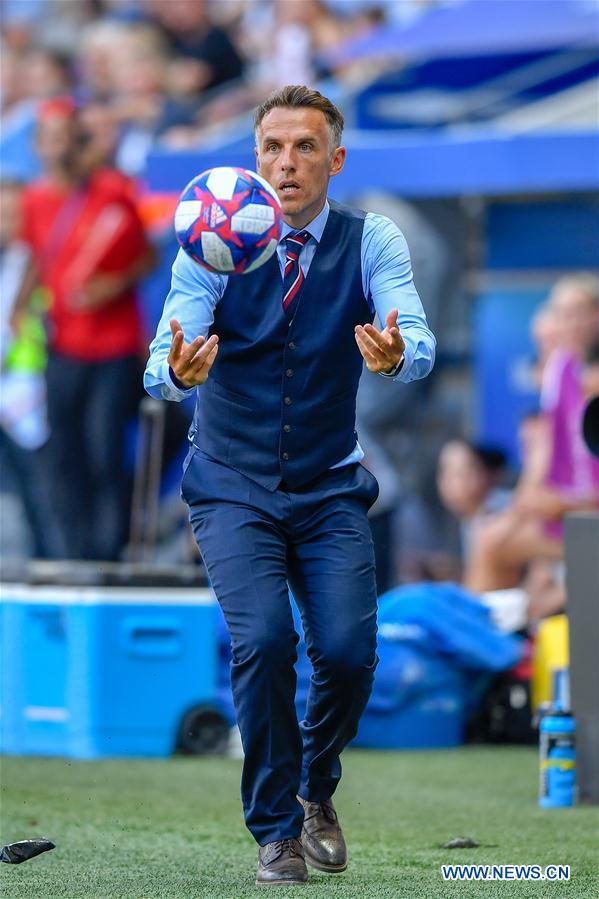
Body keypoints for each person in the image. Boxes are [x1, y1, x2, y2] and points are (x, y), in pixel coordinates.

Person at [145, 85, 435, 887]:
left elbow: (415, 331)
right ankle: (274, 830)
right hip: (231, 484)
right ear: (254, 156)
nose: (286, 162)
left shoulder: (370, 238)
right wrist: (174, 369)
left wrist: (398, 353)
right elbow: (160, 356)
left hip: (329, 485)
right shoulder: (208, 239)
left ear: (334, 159)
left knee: (346, 652)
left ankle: (315, 788)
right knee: (263, 639)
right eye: (272, 146)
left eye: (305, 147)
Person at [11, 97, 155, 561]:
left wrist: (111, 284)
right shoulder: (34, 198)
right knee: (61, 453)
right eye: (48, 139)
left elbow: (146, 258)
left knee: (103, 453)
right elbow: (36, 254)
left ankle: (106, 553)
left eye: (64, 136)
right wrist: (19, 305)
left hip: (111, 347)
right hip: (62, 342)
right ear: (37, 146)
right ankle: (72, 552)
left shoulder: (112, 191)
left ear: (79, 140)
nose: (57, 148)